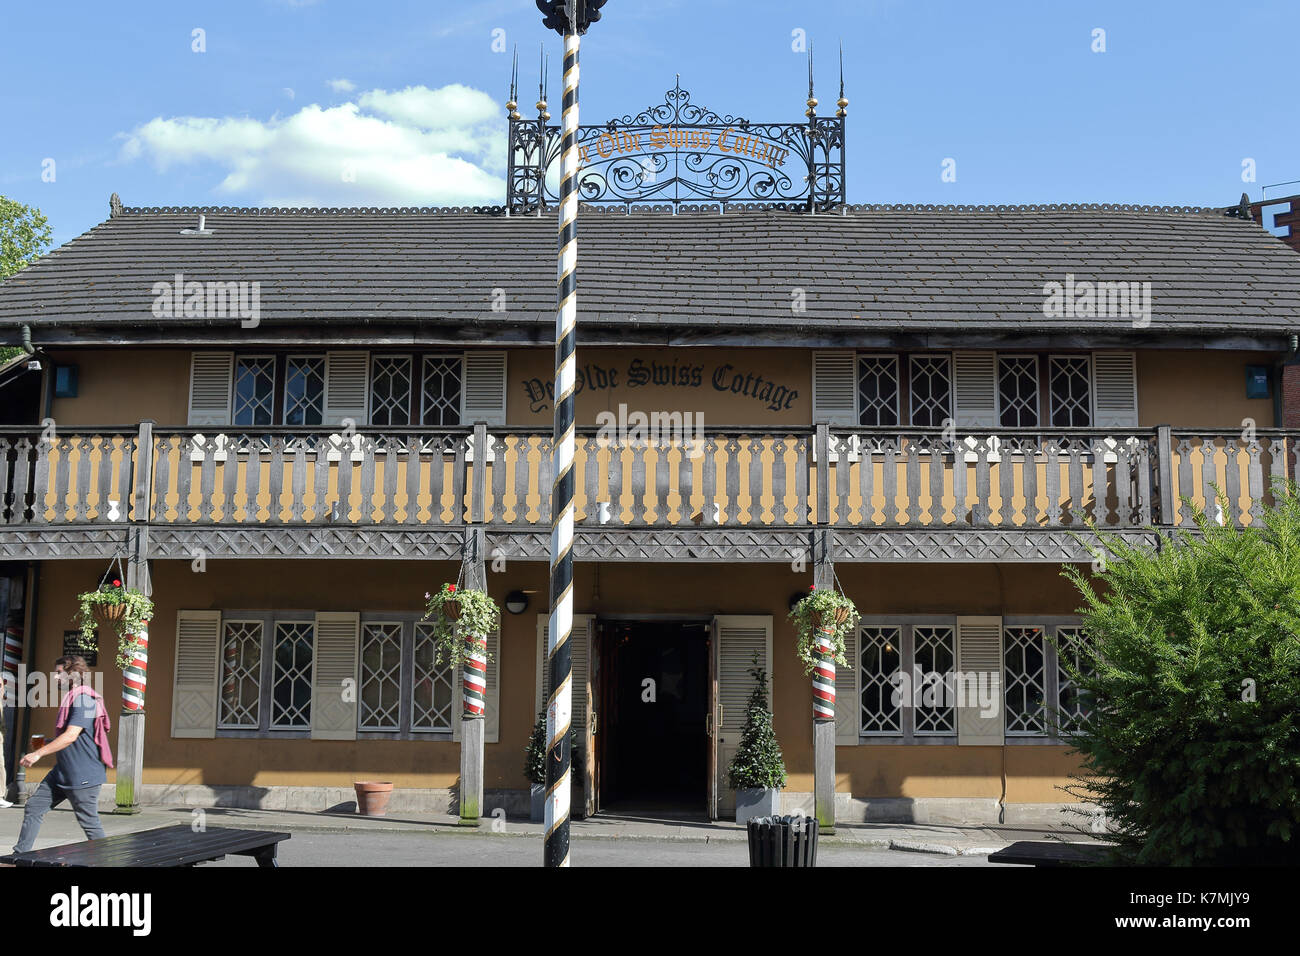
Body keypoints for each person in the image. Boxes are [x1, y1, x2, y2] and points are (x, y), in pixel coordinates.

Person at [11, 656, 112, 853]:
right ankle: (19, 856)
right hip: (61, 773)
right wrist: (46, 743)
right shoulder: (73, 698)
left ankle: (107, 860)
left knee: (90, 826)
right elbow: (70, 737)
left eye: (59, 673)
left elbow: (71, 736)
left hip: (83, 775)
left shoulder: (84, 700)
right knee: (34, 806)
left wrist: (38, 753)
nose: (55, 678)